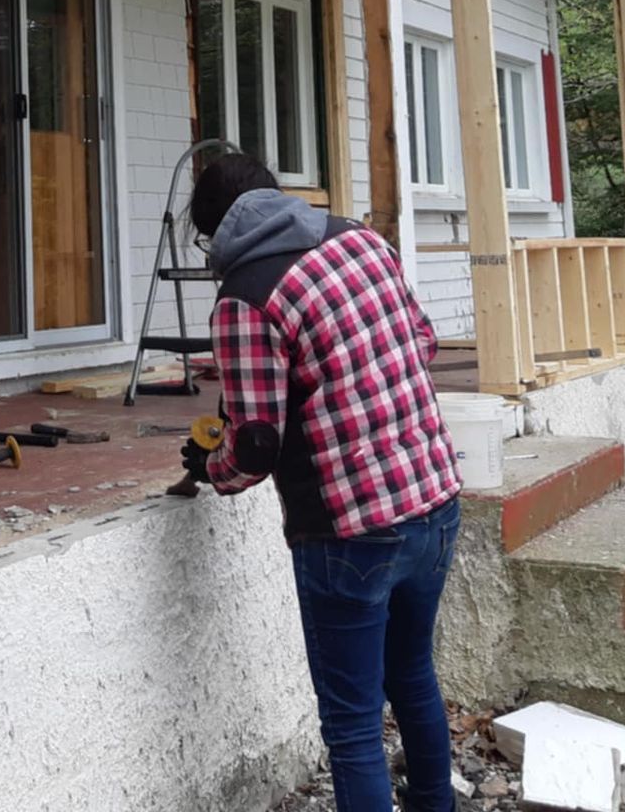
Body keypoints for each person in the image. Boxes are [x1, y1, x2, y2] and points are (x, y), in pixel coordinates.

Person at [182, 152, 463, 812]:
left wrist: (208, 469)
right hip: (436, 499)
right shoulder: (362, 241)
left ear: (216, 229)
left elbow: (254, 445)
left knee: (353, 725)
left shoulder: (246, 296)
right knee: (413, 673)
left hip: (351, 532)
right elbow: (420, 344)